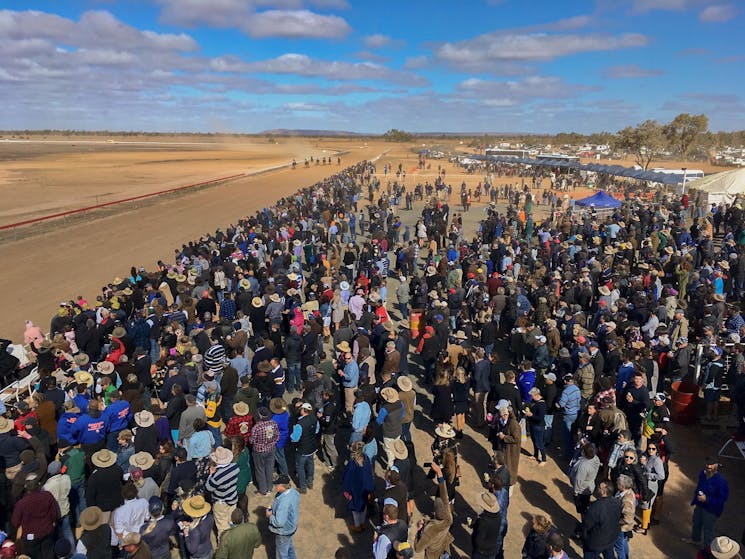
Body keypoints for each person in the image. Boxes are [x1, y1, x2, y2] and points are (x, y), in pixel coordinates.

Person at [684, 458, 729, 549]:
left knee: (708, 529)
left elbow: (722, 499)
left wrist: (707, 499)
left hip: (711, 510)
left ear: (717, 465)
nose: (709, 466)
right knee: (696, 522)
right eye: (707, 464)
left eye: (711, 464)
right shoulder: (703, 474)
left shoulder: (721, 481)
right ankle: (695, 539)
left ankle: (708, 550)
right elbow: (699, 486)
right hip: (700, 505)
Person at [11, 474, 60, 559]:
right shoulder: (47, 496)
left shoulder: (21, 503)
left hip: (31, 537)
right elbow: (54, 513)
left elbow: (15, 522)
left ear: (26, 487)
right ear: (39, 485)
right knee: (49, 555)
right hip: (47, 532)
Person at [413, 461, 454, 559]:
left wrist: (419, 531)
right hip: (445, 551)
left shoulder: (430, 529)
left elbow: (417, 549)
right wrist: (439, 473)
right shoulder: (448, 518)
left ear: (435, 512)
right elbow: (445, 497)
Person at [205, 446, 240, 539]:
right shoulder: (235, 467)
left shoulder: (217, 476)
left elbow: (208, 488)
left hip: (221, 502)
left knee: (222, 526)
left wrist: (211, 475)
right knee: (232, 522)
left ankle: (224, 547)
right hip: (233, 498)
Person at [582, 480, 622, 559]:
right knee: (609, 555)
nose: (597, 488)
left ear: (603, 492)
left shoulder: (595, 507)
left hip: (596, 542)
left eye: (599, 487)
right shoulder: (617, 502)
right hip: (611, 538)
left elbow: (587, 525)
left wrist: (584, 536)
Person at [342, 441, 375, 533]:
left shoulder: (352, 465)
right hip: (365, 490)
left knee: (355, 510)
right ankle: (362, 524)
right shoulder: (366, 458)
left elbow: (347, 479)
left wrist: (346, 491)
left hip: (355, 491)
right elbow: (370, 474)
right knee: (363, 507)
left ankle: (358, 526)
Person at [569, 442, 600, 539]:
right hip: (589, 487)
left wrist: (575, 492)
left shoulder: (583, 466)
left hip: (581, 491)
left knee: (583, 511)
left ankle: (584, 530)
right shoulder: (596, 459)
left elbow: (578, 480)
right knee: (585, 509)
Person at [267, 473, 300, 559]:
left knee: (282, 554)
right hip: (291, 527)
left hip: (283, 531)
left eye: (276, 485)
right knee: (289, 546)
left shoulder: (283, 503)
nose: (275, 486)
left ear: (282, 486)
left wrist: (270, 516)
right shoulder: (294, 492)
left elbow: (279, 522)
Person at [470, 491, 501, 559]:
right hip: (492, 550)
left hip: (481, 553)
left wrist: (476, 527)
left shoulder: (483, 521)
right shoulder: (498, 516)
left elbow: (479, 541)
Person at [615, 474, 636, 559]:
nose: (616, 484)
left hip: (622, 527)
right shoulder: (628, 491)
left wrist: (616, 521)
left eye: (618, 484)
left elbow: (627, 519)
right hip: (625, 527)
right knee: (624, 543)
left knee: (619, 548)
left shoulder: (627, 500)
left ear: (622, 486)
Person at [524, 387, 547, 465]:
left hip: (539, 426)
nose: (531, 397)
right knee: (534, 441)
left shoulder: (542, 404)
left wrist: (531, 415)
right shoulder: (534, 401)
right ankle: (535, 455)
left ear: (536, 394)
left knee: (539, 443)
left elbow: (540, 418)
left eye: (532, 395)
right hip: (533, 424)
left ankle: (544, 459)